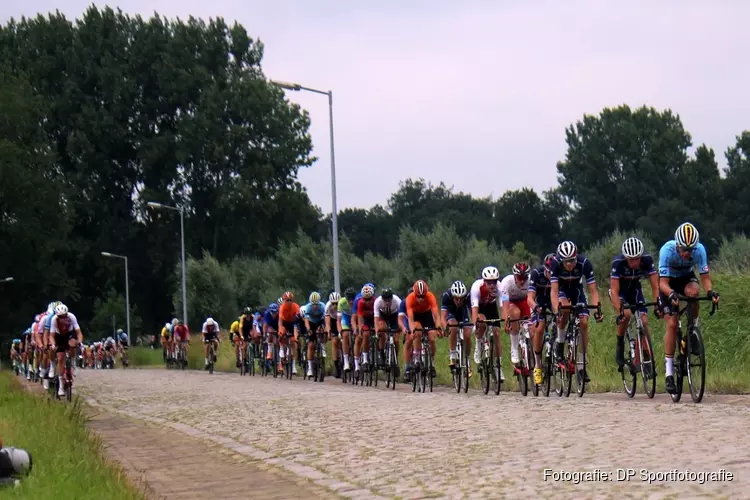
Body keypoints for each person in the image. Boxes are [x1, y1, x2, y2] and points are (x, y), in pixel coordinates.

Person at [658, 222, 719, 394]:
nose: (687, 253)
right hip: (668, 283)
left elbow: (705, 277)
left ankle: (692, 330)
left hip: (686, 278)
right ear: (677, 244)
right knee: (671, 324)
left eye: (691, 250)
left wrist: (710, 291)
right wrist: (670, 294)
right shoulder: (666, 251)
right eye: (685, 249)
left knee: (694, 292)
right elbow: (662, 283)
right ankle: (669, 372)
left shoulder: (700, 250)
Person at [549, 240, 602, 384]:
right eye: (565, 261)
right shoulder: (555, 264)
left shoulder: (584, 263)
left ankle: (581, 365)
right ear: (561, 259)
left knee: (584, 323)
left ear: (576, 256)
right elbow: (553, 291)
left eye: (572, 260)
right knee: (564, 310)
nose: (569, 264)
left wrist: (597, 307)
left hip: (577, 291)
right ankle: (560, 342)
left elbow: (592, 290)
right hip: (562, 290)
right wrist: (556, 310)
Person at [609, 237, 661, 372]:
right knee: (625, 314)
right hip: (620, 292)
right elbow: (614, 290)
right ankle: (620, 342)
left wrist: (657, 304)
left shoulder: (647, 260)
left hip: (635, 290)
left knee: (644, 321)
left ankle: (645, 356)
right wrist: (618, 310)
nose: (635, 262)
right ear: (626, 258)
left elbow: (655, 285)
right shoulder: (618, 263)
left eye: (637, 258)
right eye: (631, 260)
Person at [470, 266, 504, 381]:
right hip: (479, 307)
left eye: (494, 282)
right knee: (481, 322)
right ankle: (478, 346)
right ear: (484, 281)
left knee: (497, 333)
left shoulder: (500, 287)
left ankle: (498, 366)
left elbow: (503, 305)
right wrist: (476, 325)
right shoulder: (476, 287)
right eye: (489, 282)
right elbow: (474, 309)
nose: (492, 285)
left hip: (491, 306)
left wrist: (505, 319)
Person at [404, 280, 441, 379]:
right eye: (419, 296)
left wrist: (438, 327)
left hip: (427, 314)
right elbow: (411, 320)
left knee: (432, 338)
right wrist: (412, 331)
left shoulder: (430, 296)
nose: (421, 299)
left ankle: (432, 362)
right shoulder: (410, 299)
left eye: (423, 296)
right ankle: (416, 356)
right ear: (414, 293)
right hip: (416, 316)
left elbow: (436, 315)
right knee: (418, 331)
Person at [528, 254, 555, 385]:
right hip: (538, 303)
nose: (551, 275)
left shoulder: (559, 274)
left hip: (552, 302)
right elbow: (530, 298)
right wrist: (535, 307)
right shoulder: (536, 274)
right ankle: (538, 365)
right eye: (549, 272)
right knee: (539, 329)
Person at [46, 304, 83, 396]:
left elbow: (78, 332)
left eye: (64, 316)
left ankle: (73, 362)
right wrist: (53, 344)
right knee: (60, 358)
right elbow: (51, 335)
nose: (62, 318)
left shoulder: (72, 317)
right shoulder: (54, 319)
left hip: (69, 334)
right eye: (60, 317)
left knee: (73, 343)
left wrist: (80, 342)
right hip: (59, 336)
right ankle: (61, 386)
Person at [499, 262, 532, 365]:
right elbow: (504, 303)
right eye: (519, 277)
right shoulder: (506, 282)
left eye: (524, 278)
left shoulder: (531, 281)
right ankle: (514, 349)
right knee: (515, 313)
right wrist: (506, 320)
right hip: (511, 302)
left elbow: (533, 300)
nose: (522, 281)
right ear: (514, 276)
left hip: (525, 301)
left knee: (531, 327)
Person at [441, 280, 471, 371]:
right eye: (456, 298)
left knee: (467, 335)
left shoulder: (468, 297)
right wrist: (445, 327)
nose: (459, 301)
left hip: (462, 312)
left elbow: (472, 312)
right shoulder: (446, 296)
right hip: (451, 312)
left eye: (461, 298)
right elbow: (443, 317)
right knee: (453, 327)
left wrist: (474, 324)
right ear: (452, 296)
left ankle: (467, 360)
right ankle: (452, 355)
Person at [373, 287, 401, 369]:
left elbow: (401, 316)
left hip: (394, 316)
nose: (387, 302)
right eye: (385, 300)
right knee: (381, 330)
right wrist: (377, 332)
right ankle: (382, 354)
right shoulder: (378, 302)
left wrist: (401, 328)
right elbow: (376, 319)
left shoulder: (397, 301)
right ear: (382, 299)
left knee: (396, 340)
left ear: (392, 298)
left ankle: (395, 359)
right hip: (383, 315)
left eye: (389, 300)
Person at [301, 292, 327, 377]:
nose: (315, 306)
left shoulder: (323, 306)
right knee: (311, 345)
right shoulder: (308, 308)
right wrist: (309, 330)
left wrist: (323, 327)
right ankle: (310, 369)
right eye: (313, 304)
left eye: (316, 304)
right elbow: (306, 321)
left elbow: (325, 320)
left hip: (320, 321)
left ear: (319, 303)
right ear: (310, 303)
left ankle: (323, 347)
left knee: (322, 332)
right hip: (311, 323)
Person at [354, 285, 377, 374]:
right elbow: (359, 317)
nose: (367, 302)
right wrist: (360, 329)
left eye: (369, 299)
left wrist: (377, 327)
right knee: (366, 334)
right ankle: (365, 359)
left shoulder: (375, 301)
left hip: (374, 318)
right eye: (365, 299)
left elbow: (378, 316)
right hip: (365, 320)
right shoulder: (360, 302)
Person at [277, 291, 300, 375]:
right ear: (284, 301)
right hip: (285, 323)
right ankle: (282, 349)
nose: (289, 302)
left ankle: (293, 366)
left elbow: (298, 320)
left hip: (293, 323)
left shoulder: (296, 307)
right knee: (282, 334)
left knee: (293, 341)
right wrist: (280, 331)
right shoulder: (282, 307)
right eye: (287, 300)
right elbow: (280, 322)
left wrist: (297, 332)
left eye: (290, 300)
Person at [337, 288, 356, 373]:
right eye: (349, 300)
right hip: (345, 318)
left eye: (352, 299)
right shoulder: (341, 302)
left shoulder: (357, 301)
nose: (351, 302)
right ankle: (346, 362)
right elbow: (338, 320)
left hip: (355, 318)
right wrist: (339, 331)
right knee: (345, 335)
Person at [325, 292, 341, 377]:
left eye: (336, 303)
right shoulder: (328, 306)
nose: (335, 305)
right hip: (333, 320)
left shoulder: (342, 304)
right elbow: (327, 322)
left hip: (341, 319)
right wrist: (329, 332)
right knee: (334, 342)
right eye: (333, 303)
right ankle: (336, 366)